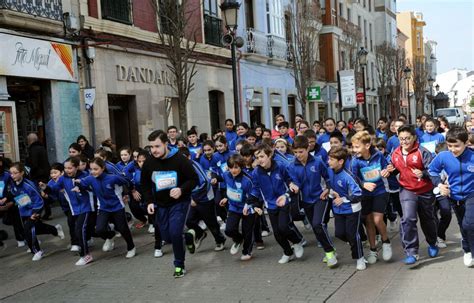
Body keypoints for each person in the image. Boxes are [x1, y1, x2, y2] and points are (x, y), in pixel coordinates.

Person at [141, 130, 199, 278]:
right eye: (151, 147)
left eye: (157, 146)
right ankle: (189, 236)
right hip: (160, 204)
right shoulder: (149, 163)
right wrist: (149, 201)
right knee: (167, 237)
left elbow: (193, 179)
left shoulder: (179, 159)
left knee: (174, 233)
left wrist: (181, 189)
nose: (154, 150)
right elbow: (145, 185)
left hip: (179, 202)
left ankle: (179, 265)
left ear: (166, 143)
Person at [387, 125, 439, 265]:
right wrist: (389, 171)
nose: (404, 141)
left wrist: (424, 174)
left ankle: (432, 242)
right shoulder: (395, 153)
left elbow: (433, 171)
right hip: (407, 190)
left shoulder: (423, 152)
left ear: (414, 137)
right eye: (401, 139)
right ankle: (411, 251)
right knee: (408, 219)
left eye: (407, 138)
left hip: (425, 190)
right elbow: (394, 169)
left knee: (427, 219)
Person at [249, 144, 304, 264]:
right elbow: (255, 189)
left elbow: (291, 180)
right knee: (277, 233)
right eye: (257, 157)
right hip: (270, 205)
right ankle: (288, 253)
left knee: (284, 227)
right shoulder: (256, 173)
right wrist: (252, 204)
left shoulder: (281, 166)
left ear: (270, 155)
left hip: (284, 201)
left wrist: (289, 190)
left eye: (262, 156)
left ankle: (297, 241)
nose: (259, 160)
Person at [288, 136, 337, 267]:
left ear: (308, 148)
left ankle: (330, 253)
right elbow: (293, 182)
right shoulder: (292, 166)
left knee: (317, 224)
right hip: (306, 201)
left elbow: (328, 177)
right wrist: (293, 185)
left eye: (301, 152)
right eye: (295, 152)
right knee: (317, 229)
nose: (298, 155)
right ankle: (331, 248)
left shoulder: (318, 161)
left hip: (321, 197)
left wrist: (328, 189)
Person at [428, 127, 474, 267]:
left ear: (466, 143)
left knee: (469, 224)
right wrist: (439, 185)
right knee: (463, 225)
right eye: (450, 145)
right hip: (454, 196)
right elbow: (432, 171)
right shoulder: (443, 156)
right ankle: (466, 250)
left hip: (471, 194)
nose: (453, 149)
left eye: (457, 146)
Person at [74, 157, 136, 259]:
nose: (93, 172)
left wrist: (129, 192)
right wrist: (77, 185)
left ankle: (131, 247)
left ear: (103, 168)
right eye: (91, 169)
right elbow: (82, 183)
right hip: (103, 208)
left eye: (96, 169)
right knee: (99, 229)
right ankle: (110, 236)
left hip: (117, 207)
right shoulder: (90, 178)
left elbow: (127, 181)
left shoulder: (112, 178)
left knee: (122, 228)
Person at [350, 131, 392, 264]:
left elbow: (386, 168)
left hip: (380, 191)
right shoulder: (355, 161)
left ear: (367, 145)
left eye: (357, 147)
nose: (354, 150)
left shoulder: (378, 155)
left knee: (378, 219)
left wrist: (387, 171)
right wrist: (363, 184)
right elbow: (353, 178)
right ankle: (373, 250)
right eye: (353, 147)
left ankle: (386, 242)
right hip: (365, 194)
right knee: (368, 221)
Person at [8, 162, 64, 261]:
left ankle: (37, 251)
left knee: (28, 229)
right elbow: (14, 195)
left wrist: (35, 212)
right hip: (23, 211)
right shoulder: (12, 184)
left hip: (33, 210)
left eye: (15, 173)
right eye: (11, 173)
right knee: (36, 228)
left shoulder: (28, 185)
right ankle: (55, 229)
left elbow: (39, 201)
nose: (13, 175)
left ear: (21, 173)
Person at [45, 157, 95, 265]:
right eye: (65, 168)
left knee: (80, 229)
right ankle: (107, 235)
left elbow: (92, 187)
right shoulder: (63, 178)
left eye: (70, 168)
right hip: (74, 209)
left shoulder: (85, 175)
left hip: (87, 207)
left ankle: (86, 255)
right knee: (82, 230)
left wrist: (81, 186)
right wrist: (45, 188)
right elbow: (54, 189)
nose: (67, 170)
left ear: (76, 167)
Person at [324, 146, 366, 270]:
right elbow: (329, 186)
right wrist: (331, 192)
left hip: (352, 209)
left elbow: (358, 194)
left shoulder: (348, 176)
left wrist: (343, 198)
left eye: (331, 159)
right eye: (328, 159)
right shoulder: (329, 170)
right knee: (339, 233)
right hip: (338, 209)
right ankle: (355, 243)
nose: (328, 162)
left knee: (352, 235)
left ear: (341, 161)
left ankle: (360, 258)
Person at [181, 147, 226, 254]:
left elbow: (205, 182)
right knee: (189, 220)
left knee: (211, 223)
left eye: (184, 158)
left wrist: (195, 198)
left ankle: (220, 240)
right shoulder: (180, 168)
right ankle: (200, 233)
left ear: (188, 157)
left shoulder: (194, 165)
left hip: (205, 198)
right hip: (192, 200)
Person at [220, 154, 261, 261]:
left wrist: (251, 206)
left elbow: (255, 194)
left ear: (241, 167)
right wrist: (225, 198)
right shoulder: (225, 175)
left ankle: (247, 251)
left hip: (248, 208)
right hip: (233, 207)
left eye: (236, 167)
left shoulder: (247, 180)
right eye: (231, 167)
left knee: (247, 231)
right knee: (229, 230)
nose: (233, 170)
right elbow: (227, 188)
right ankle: (238, 239)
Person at [25, 133, 51, 219]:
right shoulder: (41, 147)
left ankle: (41, 213)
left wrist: (29, 172)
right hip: (44, 173)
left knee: (39, 194)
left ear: (30, 141)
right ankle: (47, 212)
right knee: (43, 193)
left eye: (28, 141)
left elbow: (34, 164)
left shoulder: (33, 149)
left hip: (38, 175)